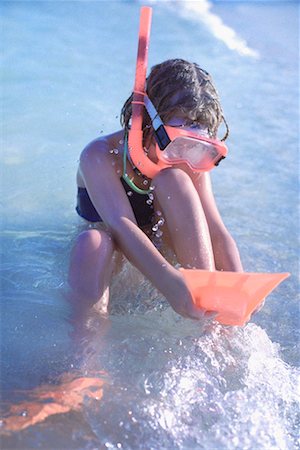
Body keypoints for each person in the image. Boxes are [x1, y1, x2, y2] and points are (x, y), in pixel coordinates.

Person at [68, 59, 243, 320]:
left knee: (176, 179)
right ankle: (86, 351)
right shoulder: (100, 156)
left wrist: (238, 285)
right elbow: (120, 224)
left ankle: (207, 311)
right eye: (176, 142)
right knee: (91, 242)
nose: (183, 155)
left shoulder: (187, 165)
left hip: (169, 260)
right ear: (144, 120)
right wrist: (169, 283)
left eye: (195, 146)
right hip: (116, 265)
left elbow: (216, 231)